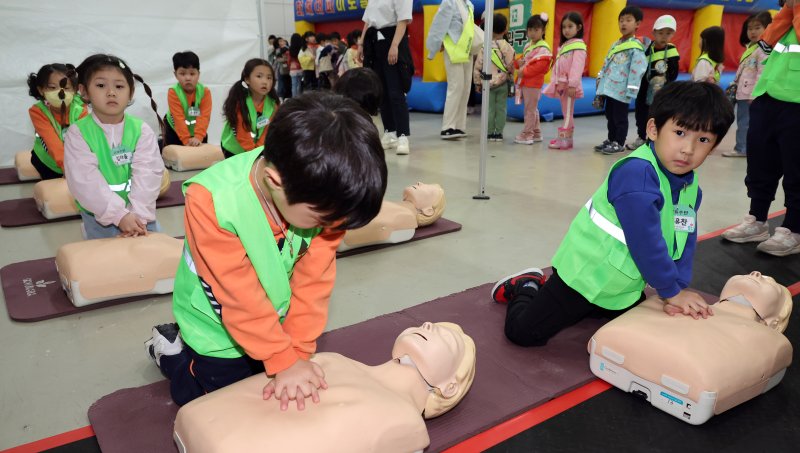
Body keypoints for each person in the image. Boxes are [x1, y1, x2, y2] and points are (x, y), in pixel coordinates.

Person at [144, 92, 388, 407]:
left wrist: (297, 352)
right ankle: (170, 351)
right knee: (209, 399)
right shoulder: (213, 201)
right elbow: (237, 297)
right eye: (322, 220)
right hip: (216, 327)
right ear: (275, 181)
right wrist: (282, 359)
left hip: (273, 319)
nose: (331, 228)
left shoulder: (322, 197)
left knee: (267, 381)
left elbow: (313, 284)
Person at [493, 81, 734, 347]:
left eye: (703, 140)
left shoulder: (690, 187)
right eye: (679, 132)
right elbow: (646, 243)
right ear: (653, 129)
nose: (688, 149)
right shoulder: (636, 175)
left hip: (623, 285)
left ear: (713, 147)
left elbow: (684, 239)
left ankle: (597, 305)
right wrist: (671, 292)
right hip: (584, 276)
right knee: (523, 333)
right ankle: (527, 285)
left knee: (632, 334)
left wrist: (678, 286)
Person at [173, 322, 476, 452]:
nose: (427, 325)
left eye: (443, 337)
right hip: (208, 421)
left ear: (449, 387)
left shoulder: (404, 421)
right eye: (426, 324)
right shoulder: (335, 360)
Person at [721, 0, 800, 256]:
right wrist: (789, 9)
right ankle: (757, 219)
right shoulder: (787, 17)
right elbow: (766, 43)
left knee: (796, 169)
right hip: (768, 96)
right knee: (760, 164)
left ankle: (794, 229)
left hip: (796, 101)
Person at [64, 54, 165, 240]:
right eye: (101, 85)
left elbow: (148, 174)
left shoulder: (141, 130)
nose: (111, 92)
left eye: (119, 86)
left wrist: (137, 216)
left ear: (131, 92)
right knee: (106, 257)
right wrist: (119, 216)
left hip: (141, 216)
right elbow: (85, 181)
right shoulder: (78, 133)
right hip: (99, 217)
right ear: (84, 91)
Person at [359, 0, 414, 155]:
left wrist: (395, 45)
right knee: (381, 91)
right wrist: (361, 44)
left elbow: (403, 20)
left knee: (396, 92)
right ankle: (389, 132)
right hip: (375, 44)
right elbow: (367, 21)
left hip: (393, 39)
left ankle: (402, 135)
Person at [593, 6, 648, 155]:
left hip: (622, 90)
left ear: (637, 24)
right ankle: (611, 139)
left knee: (620, 117)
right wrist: (600, 79)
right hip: (608, 88)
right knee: (610, 116)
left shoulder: (636, 47)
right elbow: (606, 63)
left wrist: (631, 90)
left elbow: (638, 69)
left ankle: (619, 142)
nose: (623, 23)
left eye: (628, 20)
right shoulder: (615, 45)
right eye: (621, 20)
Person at [338, 182, 446, 251]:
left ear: (428, 211)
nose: (419, 182)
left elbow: (346, 236)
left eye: (427, 188)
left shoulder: (405, 217)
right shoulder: (394, 208)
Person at [26, 63, 88, 179]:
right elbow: (52, 142)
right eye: (52, 88)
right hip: (47, 161)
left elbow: (84, 141)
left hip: (74, 159)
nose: (60, 93)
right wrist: (66, 167)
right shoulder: (38, 111)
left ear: (75, 90)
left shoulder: (80, 108)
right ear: (41, 90)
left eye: (66, 88)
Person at [722, 12, 771, 158]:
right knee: (744, 121)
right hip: (743, 92)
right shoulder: (751, 47)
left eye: (757, 28)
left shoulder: (764, 49)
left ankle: (742, 148)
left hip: (750, 95)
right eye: (750, 28)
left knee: (745, 123)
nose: (753, 32)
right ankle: (745, 147)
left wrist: (754, 94)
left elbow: (762, 73)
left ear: (768, 28)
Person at [426, 0, 477, 140]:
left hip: (466, 49)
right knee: (456, 86)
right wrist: (434, 47)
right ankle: (447, 127)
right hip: (453, 48)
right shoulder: (449, 2)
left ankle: (459, 126)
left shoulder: (469, 4)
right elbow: (439, 24)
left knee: (465, 88)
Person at [628, 15, 680, 151]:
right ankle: (641, 137)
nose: (664, 37)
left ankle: (657, 139)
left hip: (662, 93)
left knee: (659, 115)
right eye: (660, 33)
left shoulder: (672, 51)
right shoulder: (646, 48)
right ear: (654, 33)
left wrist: (664, 82)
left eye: (668, 33)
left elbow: (674, 73)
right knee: (641, 114)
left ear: (673, 34)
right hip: (644, 90)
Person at [542, 11, 586, 150]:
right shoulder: (565, 45)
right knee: (565, 111)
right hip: (562, 84)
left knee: (568, 113)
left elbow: (577, 67)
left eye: (570, 26)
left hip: (569, 85)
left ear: (579, 27)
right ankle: (566, 140)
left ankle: (564, 140)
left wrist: (572, 85)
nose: (566, 30)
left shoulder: (578, 46)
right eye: (564, 27)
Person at [220, 58, 278, 158]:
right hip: (234, 149)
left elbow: (267, 131)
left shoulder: (273, 105)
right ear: (247, 79)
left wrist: (259, 150)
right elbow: (241, 134)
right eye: (259, 76)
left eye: (269, 78)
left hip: (256, 149)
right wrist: (253, 154)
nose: (265, 82)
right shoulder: (240, 102)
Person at [513, 13, 553, 145]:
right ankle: (536, 132)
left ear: (543, 31)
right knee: (532, 108)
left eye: (536, 30)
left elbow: (541, 67)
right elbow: (524, 59)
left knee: (529, 109)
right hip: (527, 82)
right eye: (530, 29)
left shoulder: (543, 48)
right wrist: (517, 63)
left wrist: (523, 71)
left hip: (533, 83)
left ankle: (527, 134)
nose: (532, 33)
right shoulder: (528, 45)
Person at [474, 13, 515, 142]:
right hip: (503, 83)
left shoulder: (485, 47)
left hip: (487, 83)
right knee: (501, 109)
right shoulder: (508, 47)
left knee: (489, 109)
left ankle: (490, 132)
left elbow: (478, 66)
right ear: (505, 29)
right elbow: (511, 67)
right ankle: (499, 133)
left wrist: (477, 82)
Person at [163, 51, 212, 148]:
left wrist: (198, 137)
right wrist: (186, 141)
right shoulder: (173, 92)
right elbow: (178, 118)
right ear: (175, 74)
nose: (188, 78)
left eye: (192, 73)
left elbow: (204, 117)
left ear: (198, 74)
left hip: (196, 129)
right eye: (182, 74)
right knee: (174, 152)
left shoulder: (205, 92)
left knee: (200, 150)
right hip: (174, 129)